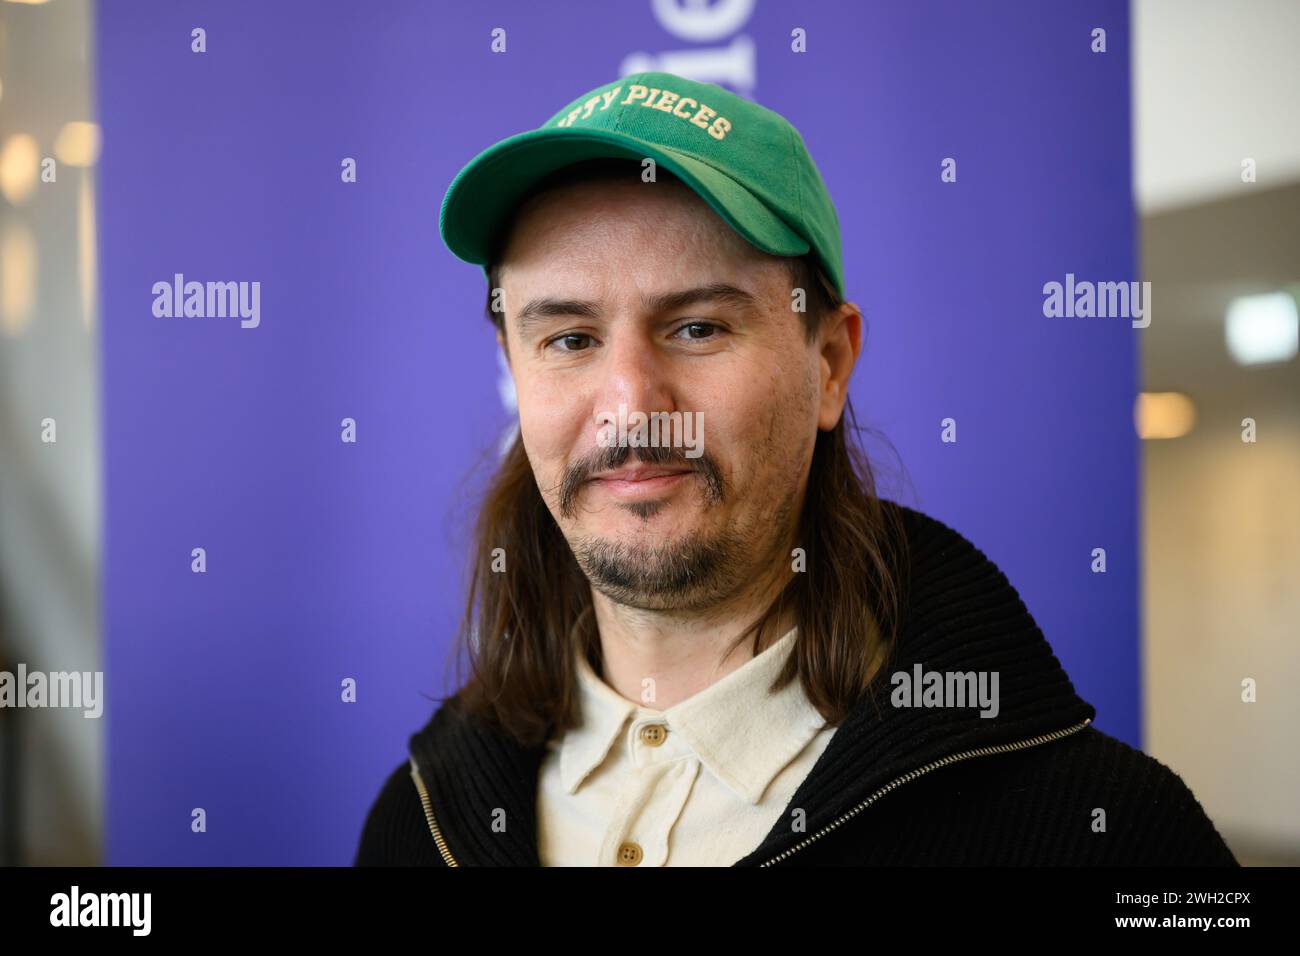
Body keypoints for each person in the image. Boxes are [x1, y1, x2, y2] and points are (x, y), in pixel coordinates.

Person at [354, 71, 1236, 867]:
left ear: (829, 362)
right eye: (570, 340)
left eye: (698, 326)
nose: (629, 404)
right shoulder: (415, 825)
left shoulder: (1108, 831)